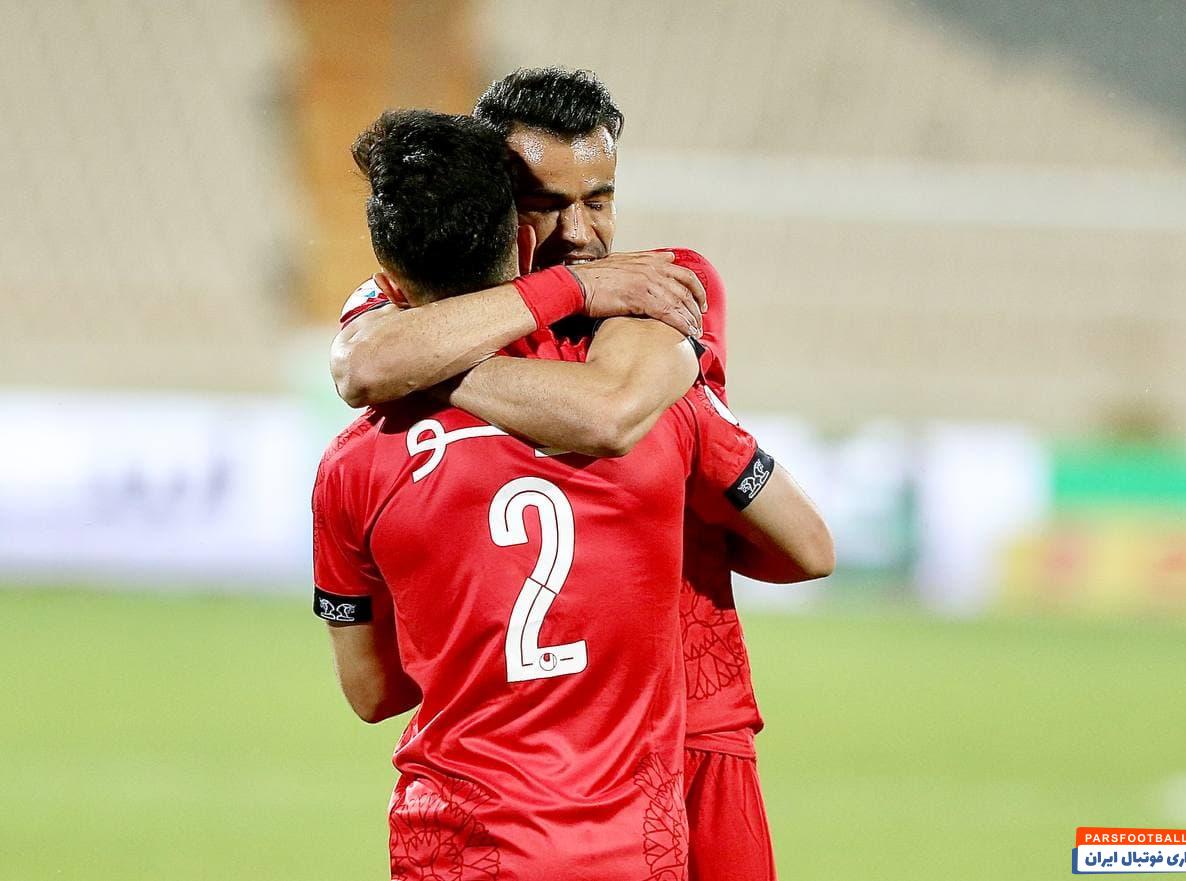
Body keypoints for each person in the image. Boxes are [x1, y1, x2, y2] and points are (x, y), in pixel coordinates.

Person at [313, 109, 833, 880]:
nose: (580, 233)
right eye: (549, 205)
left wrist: (440, 377)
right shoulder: (645, 371)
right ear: (511, 225)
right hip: (626, 794)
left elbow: (373, 690)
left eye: (600, 199)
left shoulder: (654, 291)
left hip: (672, 739)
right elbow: (366, 363)